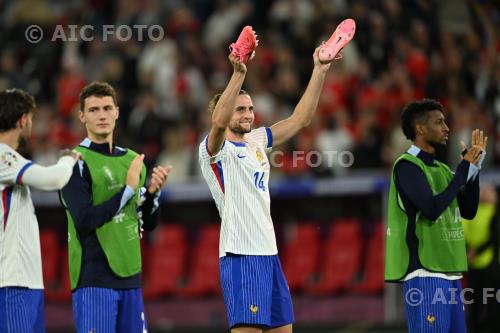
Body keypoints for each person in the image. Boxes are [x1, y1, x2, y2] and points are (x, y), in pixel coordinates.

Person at [198, 39, 339, 331]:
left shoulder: (257, 140)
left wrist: (319, 70)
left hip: (269, 255)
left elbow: (301, 119)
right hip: (240, 256)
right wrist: (238, 73)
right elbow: (219, 121)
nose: (248, 114)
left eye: (250, 108)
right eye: (240, 109)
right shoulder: (213, 150)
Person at [60, 82, 171, 333]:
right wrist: (128, 190)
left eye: (107, 108)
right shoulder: (73, 162)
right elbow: (85, 220)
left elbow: (148, 223)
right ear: (82, 116)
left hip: (131, 276)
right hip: (94, 279)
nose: (102, 115)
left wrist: (152, 194)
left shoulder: (134, 161)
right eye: (94, 109)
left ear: (117, 112)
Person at [384, 99, 487, 333]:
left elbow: (469, 210)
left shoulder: (442, 169)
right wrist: (463, 171)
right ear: (420, 128)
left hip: (450, 273)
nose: (447, 128)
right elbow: (430, 209)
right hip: (425, 274)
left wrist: (473, 170)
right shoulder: (406, 166)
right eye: (439, 122)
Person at [0, 88, 80, 332]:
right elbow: (52, 179)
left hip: (26, 281)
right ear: (23, 120)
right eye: (31, 119)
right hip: (11, 282)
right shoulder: (2, 156)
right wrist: (68, 158)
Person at [463, 184, 500, 333]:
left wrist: (476, 251)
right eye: (484, 189)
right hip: (473, 265)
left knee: (492, 302)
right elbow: (462, 231)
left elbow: (495, 236)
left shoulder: (495, 212)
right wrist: (466, 250)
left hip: (492, 265)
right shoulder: (473, 211)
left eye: (490, 190)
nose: (485, 191)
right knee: (474, 302)